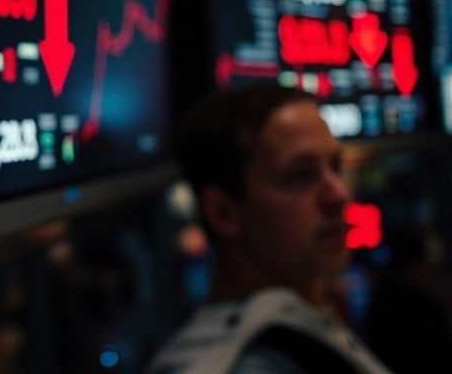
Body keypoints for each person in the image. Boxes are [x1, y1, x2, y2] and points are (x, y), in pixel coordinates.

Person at [146, 83, 392, 374]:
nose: (339, 194)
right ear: (224, 213)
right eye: (301, 176)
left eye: (335, 167)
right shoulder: (238, 363)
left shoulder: (299, 328)